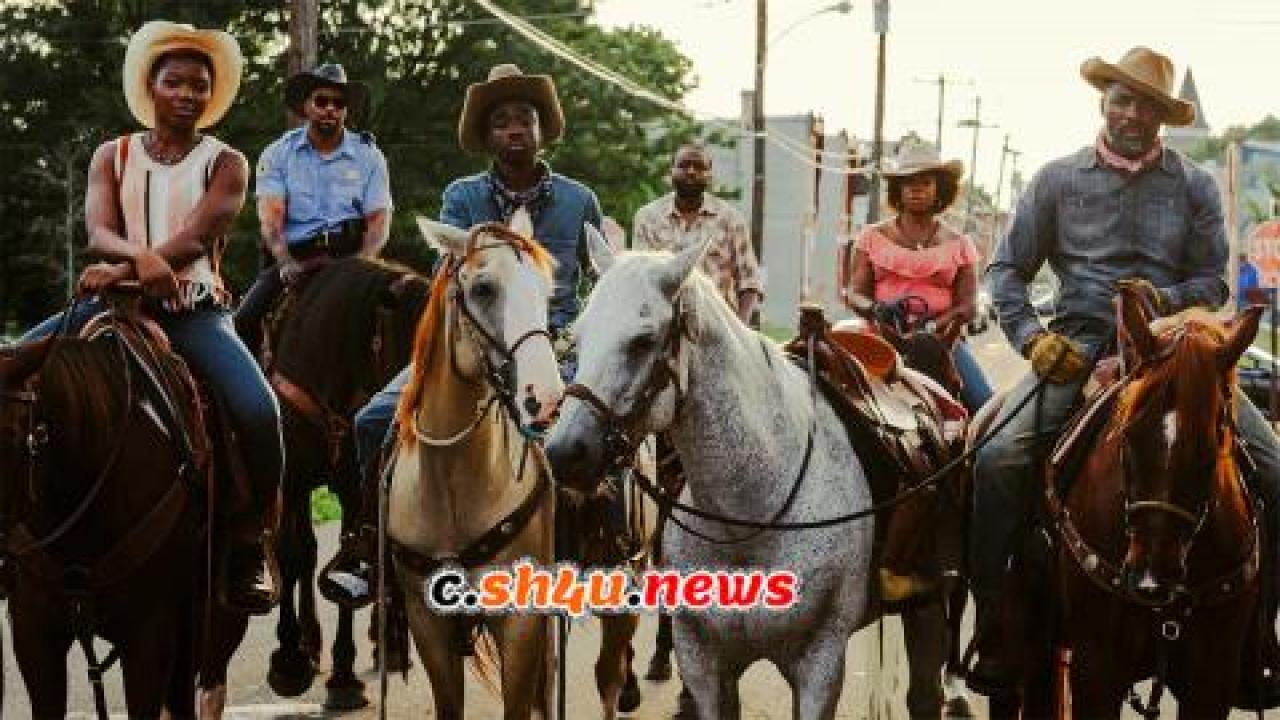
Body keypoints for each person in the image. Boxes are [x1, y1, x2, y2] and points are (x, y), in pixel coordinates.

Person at [970, 46, 1280, 705]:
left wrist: (1161, 306)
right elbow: (1006, 273)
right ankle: (998, 622)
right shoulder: (1056, 180)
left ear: (1164, 116)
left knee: (1273, 472)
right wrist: (1032, 339)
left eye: (1147, 104)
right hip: (1078, 342)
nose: (1132, 113)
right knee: (996, 460)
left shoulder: (1193, 185)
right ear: (1103, 102)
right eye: (1122, 100)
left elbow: (1212, 281)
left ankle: (1258, 636)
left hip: (1177, 346)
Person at [318, 63, 604, 608]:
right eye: (501, 122)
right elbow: (447, 281)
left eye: (525, 118)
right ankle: (367, 544)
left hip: (554, 348)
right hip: (473, 347)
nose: (515, 129)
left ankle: (598, 547)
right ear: (488, 137)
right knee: (372, 419)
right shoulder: (461, 199)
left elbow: (597, 281)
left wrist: (575, 343)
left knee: (592, 435)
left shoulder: (578, 200)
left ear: (542, 129)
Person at [22, 21, 281, 614]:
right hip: (108, 305)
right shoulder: (110, 155)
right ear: (152, 87)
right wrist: (133, 267)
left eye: (199, 85)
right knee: (13, 374)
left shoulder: (228, 162)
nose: (188, 94)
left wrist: (129, 269)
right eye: (175, 82)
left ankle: (249, 543)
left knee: (258, 412)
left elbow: (196, 238)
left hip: (194, 313)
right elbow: (98, 231)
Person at [233, 63, 391, 353]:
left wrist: (364, 263)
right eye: (321, 101)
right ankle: (249, 395)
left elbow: (378, 222)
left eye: (339, 103)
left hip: (349, 256)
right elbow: (271, 220)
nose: (330, 108)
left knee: (397, 320)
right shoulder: (278, 154)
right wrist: (284, 261)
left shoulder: (369, 156)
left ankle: (397, 397)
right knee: (243, 321)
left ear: (346, 110)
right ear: (306, 105)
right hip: (296, 257)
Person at [842, 142, 993, 414]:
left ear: (940, 188)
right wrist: (876, 309)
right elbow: (854, 292)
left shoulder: (960, 245)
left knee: (986, 406)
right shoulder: (870, 238)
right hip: (878, 338)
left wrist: (933, 327)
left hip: (941, 345)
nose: (916, 188)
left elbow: (968, 307)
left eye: (925, 181)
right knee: (832, 395)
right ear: (898, 189)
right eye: (907, 182)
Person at [632, 142, 763, 323]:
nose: (691, 171)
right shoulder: (648, 218)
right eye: (684, 165)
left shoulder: (731, 219)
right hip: (664, 328)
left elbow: (749, 283)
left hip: (717, 329)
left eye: (700, 167)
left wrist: (740, 331)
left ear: (709, 175)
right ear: (671, 171)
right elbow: (642, 279)